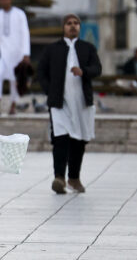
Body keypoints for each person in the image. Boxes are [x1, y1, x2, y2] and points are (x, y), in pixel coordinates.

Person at [37, 13, 101, 194]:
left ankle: (74, 178)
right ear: (63, 27)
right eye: (69, 23)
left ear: (80, 27)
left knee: (79, 141)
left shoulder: (87, 48)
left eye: (76, 23)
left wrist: (84, 71)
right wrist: (50, 90)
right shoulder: (53, 49)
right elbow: (41, 71)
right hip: (59, 103)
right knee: (60, 139)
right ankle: (59, 177)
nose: (72, 26)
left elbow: (98, 69)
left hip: (82, 103)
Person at [0, 0, 30, 115]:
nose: (4, 1)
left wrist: (26, 53)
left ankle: (13, 106)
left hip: (16, 52)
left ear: (11, 0)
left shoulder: (20, 14)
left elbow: (25, 33)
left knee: (15, 79)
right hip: (0, 52)